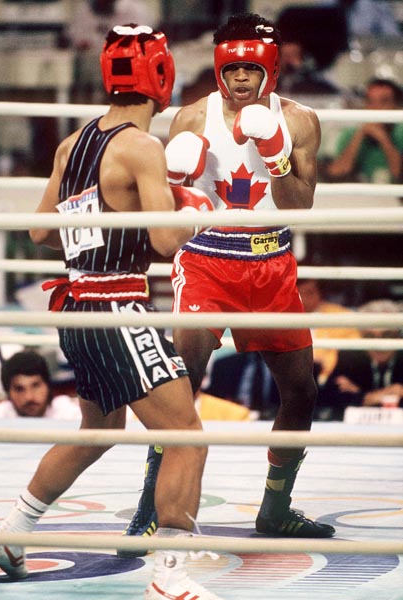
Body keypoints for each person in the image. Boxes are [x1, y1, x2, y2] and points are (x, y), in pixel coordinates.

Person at [0, 24, 224, 600]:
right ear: (160, 79)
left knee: (100, 430)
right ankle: (170, 576)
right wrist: (195, 206)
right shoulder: (142, 147)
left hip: (76, 306)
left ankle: (13, 533)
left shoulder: (74, 142)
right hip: (116, 306)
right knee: (187, 435)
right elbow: (166, 243)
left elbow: (42, 229)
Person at [123, 12, 335, 549]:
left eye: (250, 67)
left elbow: (301, 204)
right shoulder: (192, 119)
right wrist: (176, 179)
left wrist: (276, 157)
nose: (240, 78)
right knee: (181, 382)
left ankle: (276, 509)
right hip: (206, 261)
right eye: (231, 67)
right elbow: (166, 215)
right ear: (219, 66)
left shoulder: (301, 121)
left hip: (273, 264)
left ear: (270, 66)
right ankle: (151, 505)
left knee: (301, 391)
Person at [320, 299, 403, 420]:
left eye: (387, 335)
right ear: (361, 336)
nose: (378, 344)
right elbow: (328, 399)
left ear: (398, 335)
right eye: (369, 336)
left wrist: (360, 396)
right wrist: (381, 395)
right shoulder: (350, 356)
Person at [325, 78, 403, 183]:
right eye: (370, 102)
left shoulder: (400, 133)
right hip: (359, 197)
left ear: (396, 106)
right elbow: (336, 172)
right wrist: (360, 135)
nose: (375, 108)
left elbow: (398, 174)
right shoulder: (350, 134)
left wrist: (383, 139)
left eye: (383, 102)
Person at [297, 278, 360, 387]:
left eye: (309, 293)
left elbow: (352, 354)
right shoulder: (281, 316)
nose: (302, 298)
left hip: (331, 379)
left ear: (321, 294)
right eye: (297, 293)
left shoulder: (341, 316)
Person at [0, 350, 81, 419]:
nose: (29, 397)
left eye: (36, 386)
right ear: (8, 393)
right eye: (19, 389)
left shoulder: (69, 414)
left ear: (48, 386)